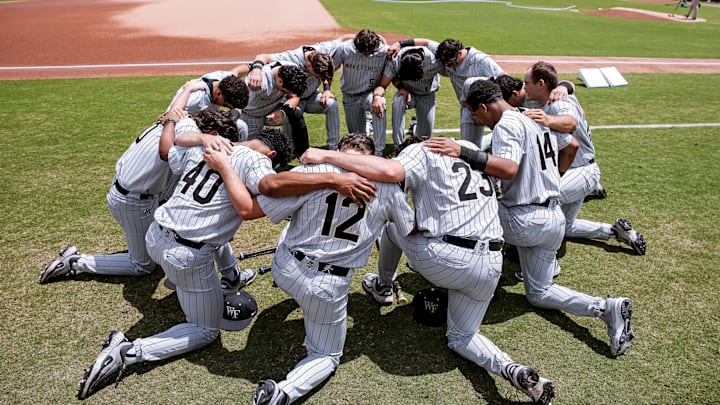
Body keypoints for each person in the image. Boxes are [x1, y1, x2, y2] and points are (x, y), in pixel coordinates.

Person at [75, 126, 377, 400]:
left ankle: (197, 281)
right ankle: (129, 352)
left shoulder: (211, 145)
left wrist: (196, 134)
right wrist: (332, 178)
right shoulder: (256, 163)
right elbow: (259, 197)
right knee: (205, 329)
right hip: (188, 255)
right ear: (271, 155)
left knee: (200, 252)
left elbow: (170, 149)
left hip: (155, 236)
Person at [300, 136, 557, 404]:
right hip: (492, 263)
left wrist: (327, 155)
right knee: (462, 337)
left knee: (392, 228)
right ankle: (512, 369)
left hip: (448, 259)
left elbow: (390, 172)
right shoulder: (466, 147)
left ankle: (384, 285)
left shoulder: (420, 151)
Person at [210, 133, 412, 405]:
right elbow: (409, 231)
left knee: (290, 225)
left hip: (286, 269)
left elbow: (253, 209)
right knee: (326, 356)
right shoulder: (388, 187)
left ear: (339, 150)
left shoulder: (313, 170)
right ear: (372, 157)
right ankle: (283, 393)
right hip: (328, 285)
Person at [458, 78, 635, 359]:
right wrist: (550, 179)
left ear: (483, 106)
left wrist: (463, 152)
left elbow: (507, 168)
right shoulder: (535, 117)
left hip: (524, 219)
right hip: (553, 219)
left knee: (465, 217)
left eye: (475, 114)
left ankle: (463, 287)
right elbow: (572, 145)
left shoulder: (506, 124)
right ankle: (605, 307)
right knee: (539, 293)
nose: (477, 121)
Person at [40, 81, 254, 290]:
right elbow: (165, 153)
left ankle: (231, 272)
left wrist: (188, 89)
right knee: (142, 265)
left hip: (135, 188)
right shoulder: (183, 142)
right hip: (133, 200)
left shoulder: (174, 118)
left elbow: (176, 110)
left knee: (196, 216)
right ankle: (75, 262)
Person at [523, 61, 646, 256]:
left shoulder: (559, 103)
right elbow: (576, 104)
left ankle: (541, 259)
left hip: (581, 172)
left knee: (539, 201)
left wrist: (548, 120)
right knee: (567, 227)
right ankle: (616, 232)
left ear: (541, 84)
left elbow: (570, 122)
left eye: (526, 83)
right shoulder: (556, 96)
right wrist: (566, 85)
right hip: (576, 172)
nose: (524, 87)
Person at [246, 38, 345, 151]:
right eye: (317, 76)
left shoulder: (323, 52)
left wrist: (327, 89)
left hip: (311, 96)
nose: (318, 79)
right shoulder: (293, 58)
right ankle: (290, 147)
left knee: (331, 103)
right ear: (308, 65)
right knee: (291, 112)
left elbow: (340, 41)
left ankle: (333, 148)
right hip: (291, 98)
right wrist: (256, 71)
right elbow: (263, 56)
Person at [332, 29, 391, 156]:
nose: (367, 54)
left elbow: (394, 67)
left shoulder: (384, 51)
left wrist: (378, 96)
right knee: (358, 138)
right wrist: (327, 90)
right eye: (363, 51)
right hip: (350, 95)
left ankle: (379, 151)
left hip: (370, 94)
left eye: (371, 52)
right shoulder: (345, 49)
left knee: (380, 104)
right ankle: (368, 124)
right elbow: (330, 69)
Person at [372, 43, 442, 147]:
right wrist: (377, 96)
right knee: (398, 100)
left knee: (424, 141)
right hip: (407, 93)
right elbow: (383, 85)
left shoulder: (434, 62)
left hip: (427, 95)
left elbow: (453, 70)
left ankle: (414, 126)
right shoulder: (395, 61)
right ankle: (398, 146)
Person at [232, 63, 308, 142]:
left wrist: (283, 112)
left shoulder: (289, 70)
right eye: (284, 91)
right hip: (250, 114)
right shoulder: (260, 84)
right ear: (280, 81)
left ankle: (300, 149)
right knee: (249, 147)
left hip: (271, 110)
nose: (287, 93)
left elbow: (294, 97)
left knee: (295, 112)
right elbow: (237, 102)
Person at [167, 70, 250, 140]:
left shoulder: (223, 79)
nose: (226, 107)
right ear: (219, 93)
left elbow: (239, 70)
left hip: (204, 126)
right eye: (225, 105)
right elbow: (169, 116)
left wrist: (257, 66)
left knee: (240, 126)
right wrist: (187, 90)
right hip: (183, 133)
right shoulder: (196, 98)